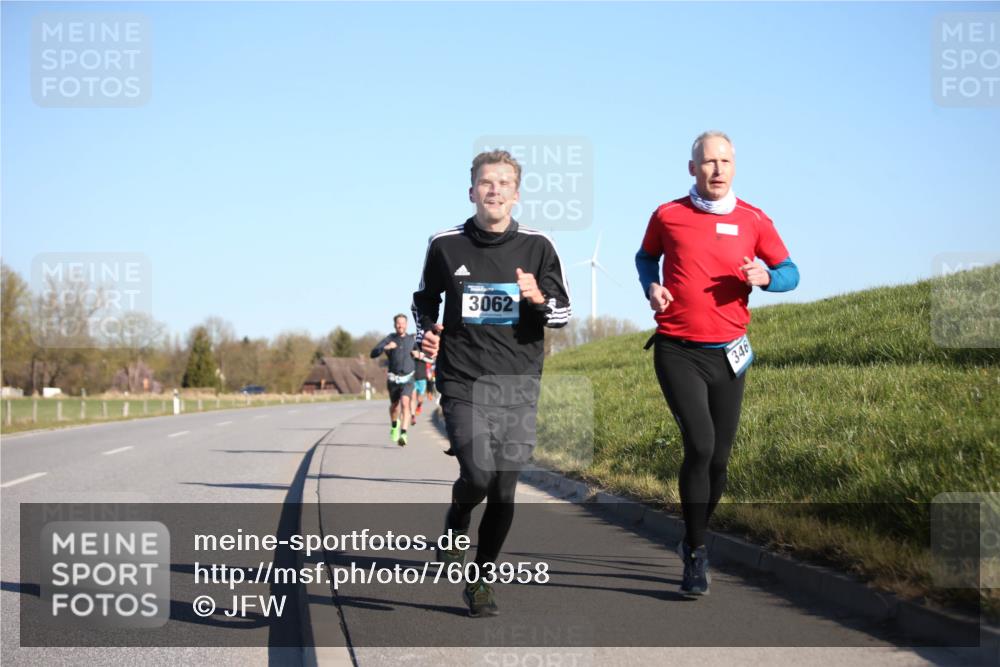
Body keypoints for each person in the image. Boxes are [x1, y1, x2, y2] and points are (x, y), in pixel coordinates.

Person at [635, 131, 799, 596]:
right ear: (692, 168)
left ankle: (691, 535)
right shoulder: (668, 215)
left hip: (730, 354)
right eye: (708, 162)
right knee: (701, 446)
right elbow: (646, 258)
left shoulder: (754, 219)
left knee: (721, 461)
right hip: (677, 348)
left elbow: (791, 272)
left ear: (735, 166)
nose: (718, 169)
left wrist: (767, 276)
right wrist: (652, 286)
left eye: (725, 161)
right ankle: (699, 552)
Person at [412, 149, 571, 617]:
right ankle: (458, 517)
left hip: (519, 382)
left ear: (516, 194)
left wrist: (538, 298)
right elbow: (425, 301)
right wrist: (427, 332)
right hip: (462, 379)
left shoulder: (539, 246)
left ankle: (480, 580)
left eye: (504, 183)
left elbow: (562, 315)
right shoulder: (445, 244)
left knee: (504, 487)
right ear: (472, 191)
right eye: (486, 182)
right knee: (478, 476)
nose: (495, 189)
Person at [370, 314, 417, 446]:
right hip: (393, 379)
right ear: (394, 325)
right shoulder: (390, 339)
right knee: (395, 406)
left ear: (406, 325)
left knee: (405, 403)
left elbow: (421, 353)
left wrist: (419, 354)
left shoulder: (411, 340)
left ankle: (403, 433)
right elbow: (373, 353)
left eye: (403, 323)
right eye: (398, 323)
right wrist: (386, 348)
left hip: (408, 378)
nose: (400, 325)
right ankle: (394, 424)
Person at [409, 351, 433, 425]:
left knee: (420, 399)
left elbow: (431, 360)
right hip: (412, 378)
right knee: (412, 398)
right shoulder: (410, 349)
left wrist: (420, 355)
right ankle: (412, 416)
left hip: (422, 378)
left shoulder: (423, 351)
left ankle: (419, 405)